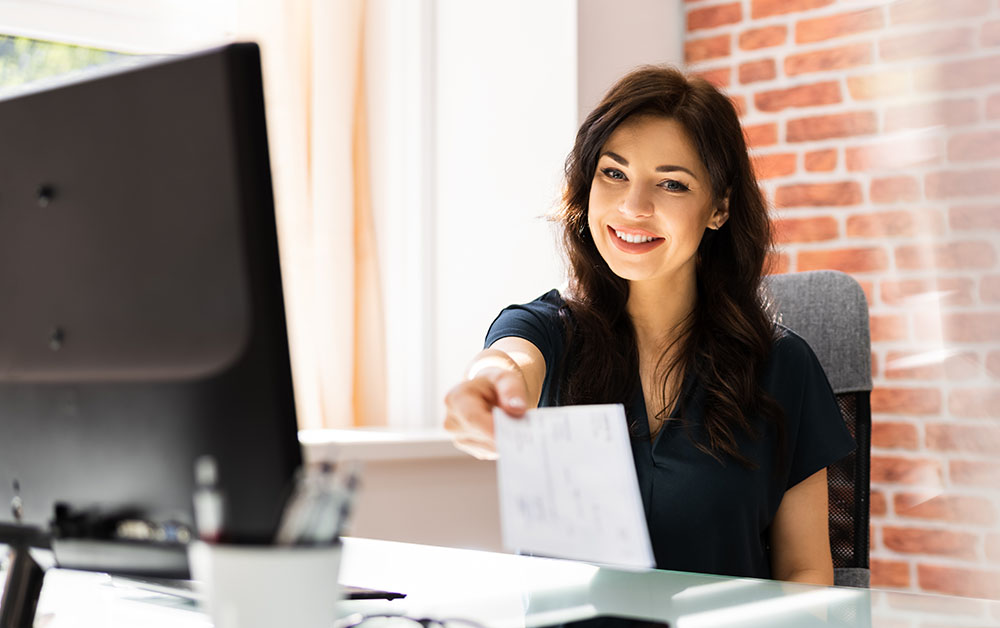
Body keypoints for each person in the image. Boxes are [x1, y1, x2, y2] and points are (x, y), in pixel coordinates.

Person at [443, 65, 855, 585]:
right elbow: (509, 360)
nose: (634, 208)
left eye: (671, 184)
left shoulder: (782, 365)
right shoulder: (548, 329)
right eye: (613, 174)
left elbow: (805, 569)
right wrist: (487, 385)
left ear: (719, 208)